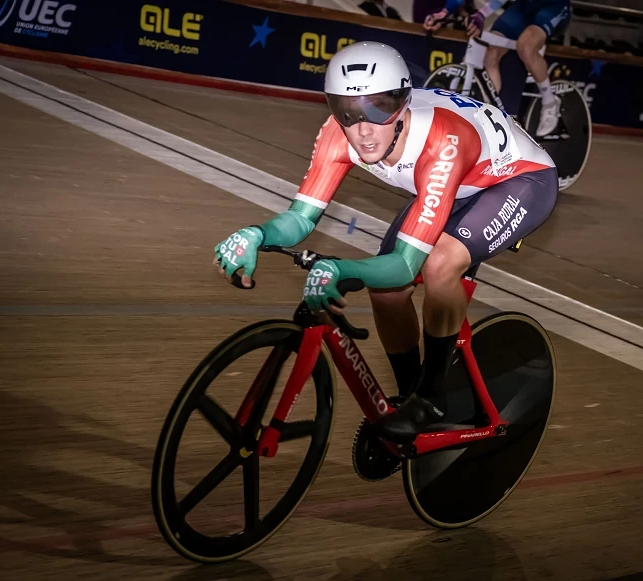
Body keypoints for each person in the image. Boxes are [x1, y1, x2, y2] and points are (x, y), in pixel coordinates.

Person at [213, 42, 558, 442]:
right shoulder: (337, 134)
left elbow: (406, 264)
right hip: (455, 181)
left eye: (378, 109)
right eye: (347, 112)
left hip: (519, 180)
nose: (362, 131)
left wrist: (341, 268)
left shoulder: (441, 139)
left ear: (402, 103)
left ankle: (430, 400)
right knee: (386, 291)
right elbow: (300, 219)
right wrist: (256, 233)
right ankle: (410, 393)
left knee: (439, 263)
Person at [424, 0, 571, 137]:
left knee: (526, 46)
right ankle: (492, 114)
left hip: (552, 5)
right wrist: (444, 12)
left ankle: (550, 103)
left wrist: (482, 14)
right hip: (524, 6)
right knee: (491, 51)